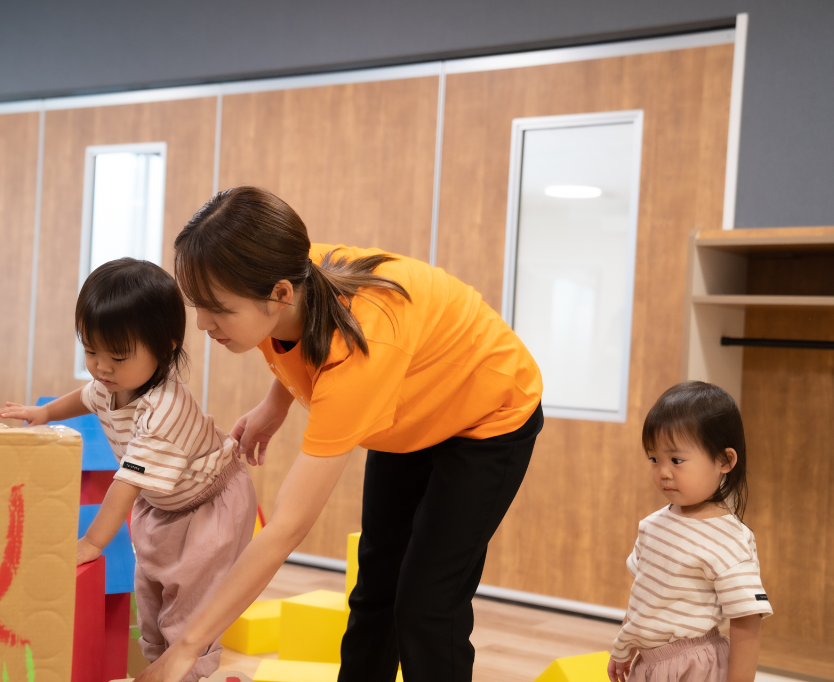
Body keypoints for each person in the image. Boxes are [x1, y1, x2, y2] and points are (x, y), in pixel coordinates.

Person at [140, 186, 544, 682]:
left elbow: (286, 527)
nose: (202, 323)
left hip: (489, 414)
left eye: (217, 309)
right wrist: (275, 402)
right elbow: (301, 335)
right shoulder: (287, 268)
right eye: (196, 305)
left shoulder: (362, 351)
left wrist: (187, 648)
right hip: (409, 410)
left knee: (426, 603)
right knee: (377, 586)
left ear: (280, 294)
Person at [0, 258, 256, 681]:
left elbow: (128, 482)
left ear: (166, 346)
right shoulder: (111, 384)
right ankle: (159, 668)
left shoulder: (164, 411)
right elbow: (86, 395)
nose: (102, 367)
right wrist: (44, 412)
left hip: (210, 504)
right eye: (91, 350)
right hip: (165, 503)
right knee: (150, 601)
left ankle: (188, 673)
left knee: (189, 607)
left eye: (117, 355)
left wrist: (93, 542)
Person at [607, 381, 772, 682]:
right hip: (650, 663)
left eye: (677, 460)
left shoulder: (730, 540)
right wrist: (624, 647)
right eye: (654, 459)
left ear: (725, 461)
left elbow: (747, 620)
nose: (663, 472)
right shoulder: (652, 525)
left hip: (695, 666)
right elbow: (643, 596)